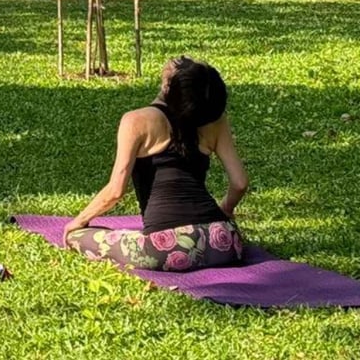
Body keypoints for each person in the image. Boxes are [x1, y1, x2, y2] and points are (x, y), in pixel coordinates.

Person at [63, 56, 250, 271]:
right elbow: (240, 182)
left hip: (167, 249)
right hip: (225, 242)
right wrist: (226, 208)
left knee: (78, 237)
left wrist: (78, 221)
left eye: (185, 66)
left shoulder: (136, 120)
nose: (181, 59)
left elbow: (115, 190)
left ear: (169, 84)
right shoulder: (214, 121)